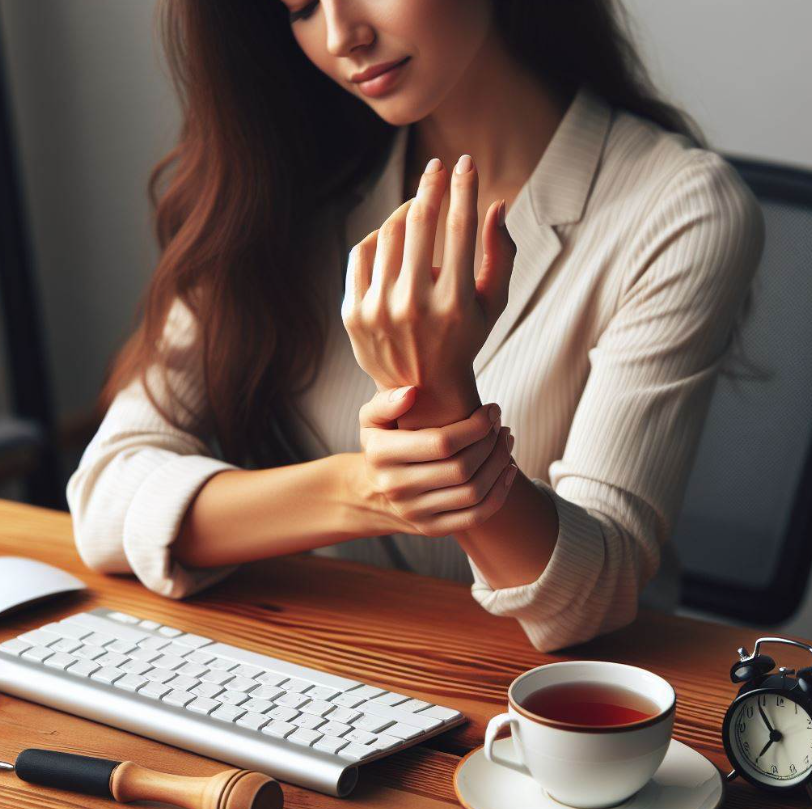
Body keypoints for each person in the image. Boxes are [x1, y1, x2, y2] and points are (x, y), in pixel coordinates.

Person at [67, 0, 766, 653]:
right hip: (348, 674)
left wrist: (440, 396)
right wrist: (360, 489)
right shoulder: (290, 186)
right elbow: (103, 495)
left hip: (571, 713)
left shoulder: (678, 207)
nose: (342, 37)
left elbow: (588, 597)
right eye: (300, 7)